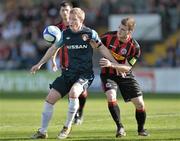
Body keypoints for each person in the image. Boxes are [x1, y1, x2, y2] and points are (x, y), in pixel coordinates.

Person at [30, 7, 119, 139]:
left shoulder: (90, 33)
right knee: (49, 99)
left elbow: (103, 49)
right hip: (68, 73)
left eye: (74, 19)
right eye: (70, 19)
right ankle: (42, 131)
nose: (70, 22)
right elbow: (53, 49)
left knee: (73, 93)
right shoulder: (65, 34)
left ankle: (67, 127)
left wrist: (115, 63)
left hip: (84, 74)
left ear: (81, 20)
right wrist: (40, 63)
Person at [98, 17, 149, 137]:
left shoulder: (135, 47)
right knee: (111, 96)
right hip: (108, 73)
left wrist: (112, 64)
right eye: (119, 28)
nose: (119, 31)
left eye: (123, 30)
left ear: (130, 32)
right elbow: (96, 43)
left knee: (140, 104)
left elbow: (127, 68)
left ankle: (141, 129)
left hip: (125, 75)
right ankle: (120, 127)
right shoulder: (108, 37)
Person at [52, 1, 87, 125]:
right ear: (60, 12)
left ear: (72, 10)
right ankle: (75, 114)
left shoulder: (78, 26)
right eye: (62, 10)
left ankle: (80, 111)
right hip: (65, 64)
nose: (65, 13)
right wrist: (53, 61)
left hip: (79, 64)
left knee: (82, 91)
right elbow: (54, 47)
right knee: (71, 89)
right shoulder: (56, 29)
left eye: (67, 10)